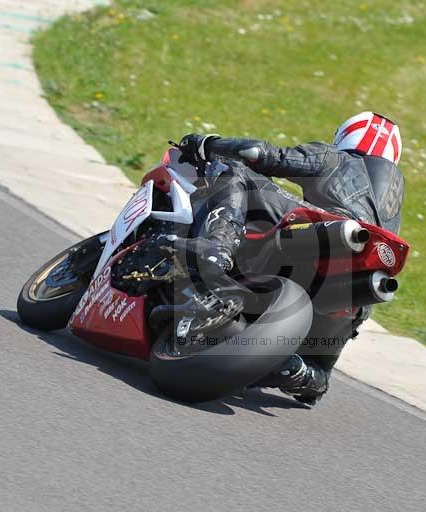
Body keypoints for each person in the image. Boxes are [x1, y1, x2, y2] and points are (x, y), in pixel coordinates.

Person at [168, 111, 405, 405]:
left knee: (236, 172)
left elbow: (259, 153)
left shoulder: (337, 158)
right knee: (317, 377)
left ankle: (215, 252)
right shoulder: (394, 208)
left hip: (324, 234)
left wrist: (208, 144)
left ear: (345, 137)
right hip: (354, 291)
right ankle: (299, 371)